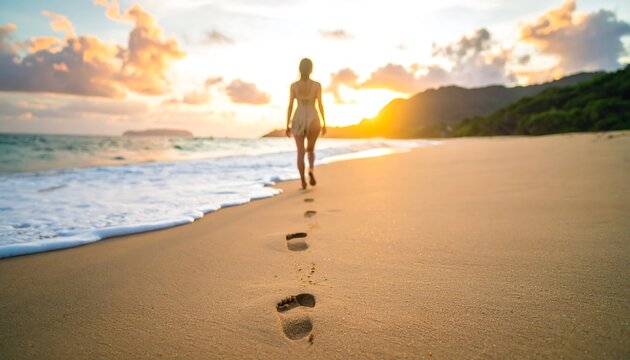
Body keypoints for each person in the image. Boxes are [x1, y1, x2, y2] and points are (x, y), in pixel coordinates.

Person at [286, 58, 327, 190]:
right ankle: (311, 170)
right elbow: (320, 104)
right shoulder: (317, 85)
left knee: (300, 152)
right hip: (313, 117)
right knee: (310, 150)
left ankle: (303, 181)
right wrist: (325, 122)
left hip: (298, 118)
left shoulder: (294, 86)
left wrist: (287, 125)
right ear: (311, 69)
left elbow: (290, 105)